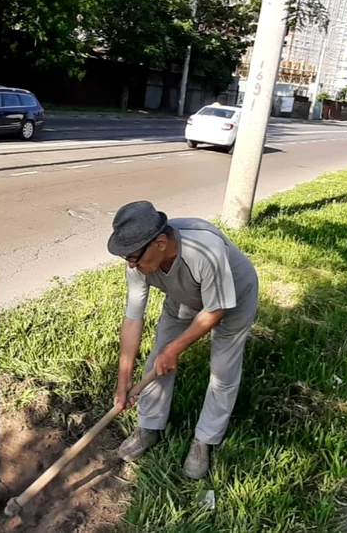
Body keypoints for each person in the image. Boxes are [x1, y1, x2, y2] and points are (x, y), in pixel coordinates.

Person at [107, 201, 258, 479]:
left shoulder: (203, 251)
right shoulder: (138, 261)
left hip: (234, 298)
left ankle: (205, 440)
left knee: (222, 370)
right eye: (127, 258)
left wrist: (176, 348)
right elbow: (132, 320)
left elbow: (215, 310)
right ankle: (149, 428)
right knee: (157, 359)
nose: (131, 265)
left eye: (135, 258)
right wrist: (123, 379)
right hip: (184, 296)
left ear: (160, 243)